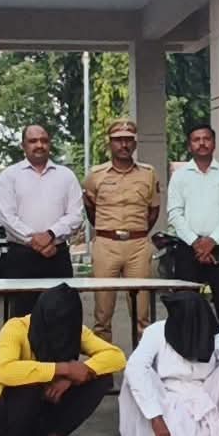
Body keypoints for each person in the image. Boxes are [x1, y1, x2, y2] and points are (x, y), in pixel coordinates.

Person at [0, 284, 126, 436]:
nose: (61, 333)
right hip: (1, 423)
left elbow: (117, 357)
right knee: (27, 378)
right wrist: (63, 369)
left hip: (43, 416)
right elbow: (3, 371)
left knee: (100, 377)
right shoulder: (15, 328)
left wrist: (74, 377)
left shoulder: (76, 331)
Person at [118, 292, 219, 436]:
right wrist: (155, 418)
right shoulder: (156, 331)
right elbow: (135, 368)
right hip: (166, 397)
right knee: (134, 373)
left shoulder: (215, 333)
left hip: (204, 395)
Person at [164, 119, 219, 346]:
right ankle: (186, 356)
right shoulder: (180, 176)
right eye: (196, 140)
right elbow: (174, 213)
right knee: (186, 307)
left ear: (214, 143)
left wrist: (212, 241)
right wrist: (196, 243)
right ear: (189, 145)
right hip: (188, 250)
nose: (202, 143)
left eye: (206, 139)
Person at [82, 117, 161, 342]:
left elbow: (153, 210)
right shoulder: (96, 175)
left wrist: (137, 232)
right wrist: (107, 231)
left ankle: (142, 360)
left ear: (135, 143)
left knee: (142, 314)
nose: (123, 145)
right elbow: (90, 208)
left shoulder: (148, 173)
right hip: (106, 245)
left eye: (128, 140)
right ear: (110, 143)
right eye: (118, 140)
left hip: (138, 246)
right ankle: (104, 361)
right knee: (102, 313)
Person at [0, 124, 84, 318]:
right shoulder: (9, 176)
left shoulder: (66, 176)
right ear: (23, 145)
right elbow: (7, 216)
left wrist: (51, 234)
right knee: (22, 319)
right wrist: (35, 241)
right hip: (22, 257)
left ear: (49, 144)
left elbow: (76, 215)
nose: (39, 145)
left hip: (57, 255)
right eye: (33, 141)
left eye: (43, 140)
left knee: (61, 315)